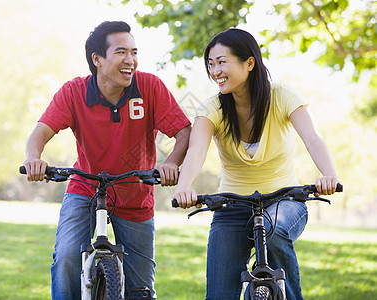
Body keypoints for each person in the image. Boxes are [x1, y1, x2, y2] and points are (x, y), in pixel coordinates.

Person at [23, 21, 191, 299]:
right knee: (66, 257)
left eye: (134, 52)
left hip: (135, 193)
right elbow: (39, 133)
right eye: (121, 52)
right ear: (97, 59)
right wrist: (33, 158)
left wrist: (172, 163)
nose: (131, 60)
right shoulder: (74, 92)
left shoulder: (149, 86)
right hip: (85, 187)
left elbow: (184, 132)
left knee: (141, 287)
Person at [172, 28, 340, 300]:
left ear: (249, 63)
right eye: (211, 64)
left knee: (275, 230)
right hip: (232, 205)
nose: (215, 71)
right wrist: (184, 186)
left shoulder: (284, 96)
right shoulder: (211, 108)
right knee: (219, 294)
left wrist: (329, 174)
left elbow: (312, 138)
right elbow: (196, 152)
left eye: (222, 62)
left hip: (284, 200)